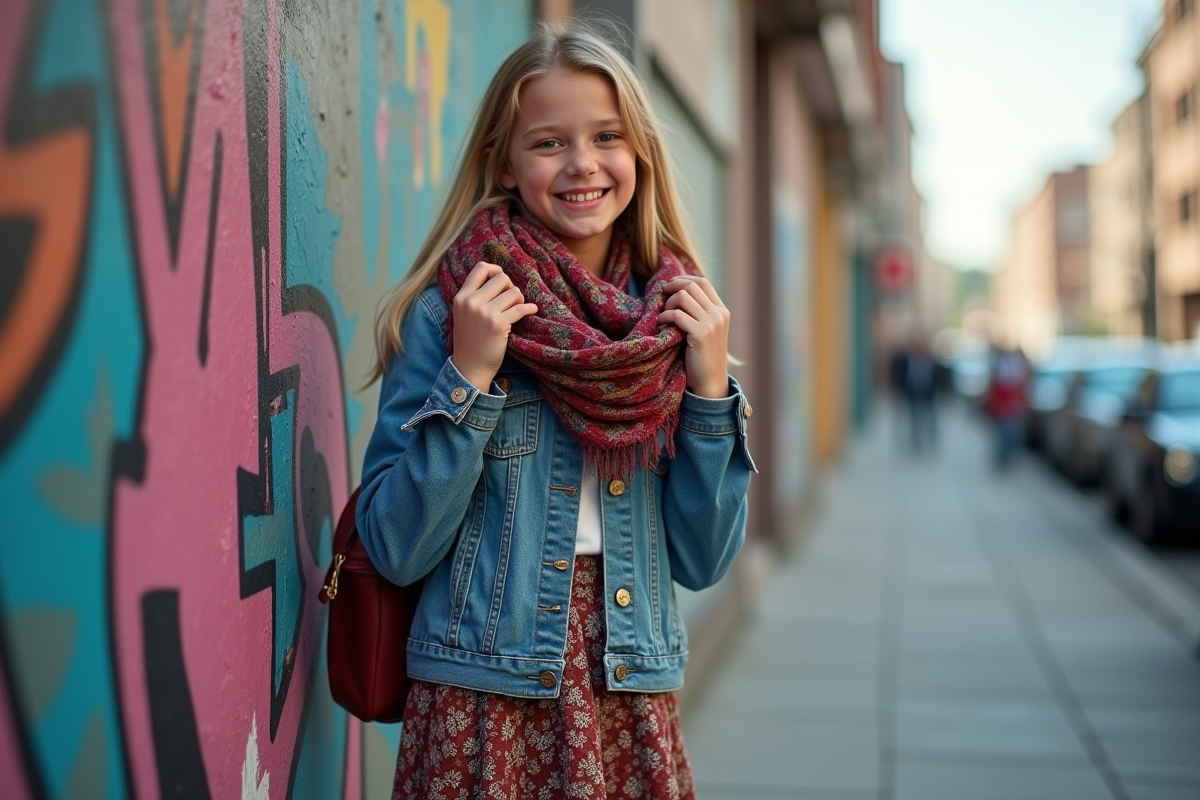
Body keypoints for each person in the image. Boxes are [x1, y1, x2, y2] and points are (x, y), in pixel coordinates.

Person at [356, 20, 755, 800]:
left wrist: (709, 395)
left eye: (607, 135)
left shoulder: (671, 322)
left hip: (628, 689)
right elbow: (395, 545)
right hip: (482, 694)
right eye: (548, 142)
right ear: (501, 162)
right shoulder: (452, 313)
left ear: (638, 152)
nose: (583, 164)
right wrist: (471, 377)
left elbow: (704, 563)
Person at [984, 344, 1029, 470]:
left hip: (1013, 407)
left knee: (1013, 434)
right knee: (1003, 433)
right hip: (1002, 407)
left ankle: (1008, 457)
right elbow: (995, 386)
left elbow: (1022, 388)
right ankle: (1002, 458)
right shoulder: (1000, 365)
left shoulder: (1018, 366)